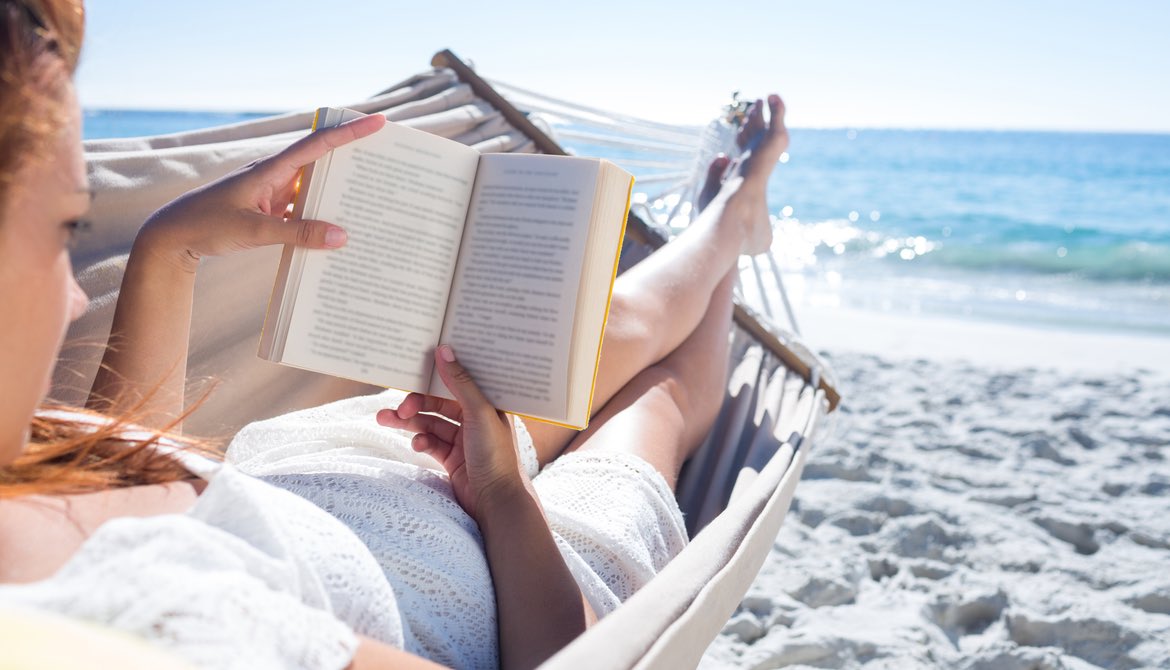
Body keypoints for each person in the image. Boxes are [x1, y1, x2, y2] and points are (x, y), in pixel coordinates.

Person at [0, 0, 790, 668]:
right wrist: (505, 498)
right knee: (659, 404)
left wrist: (169, 250)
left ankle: (724, 225)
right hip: (526, 575)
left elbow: (116, 479)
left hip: (345, 461)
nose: (75, 297)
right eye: (68, 226)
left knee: (594, 335)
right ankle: (731, 227)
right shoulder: (154, 628)